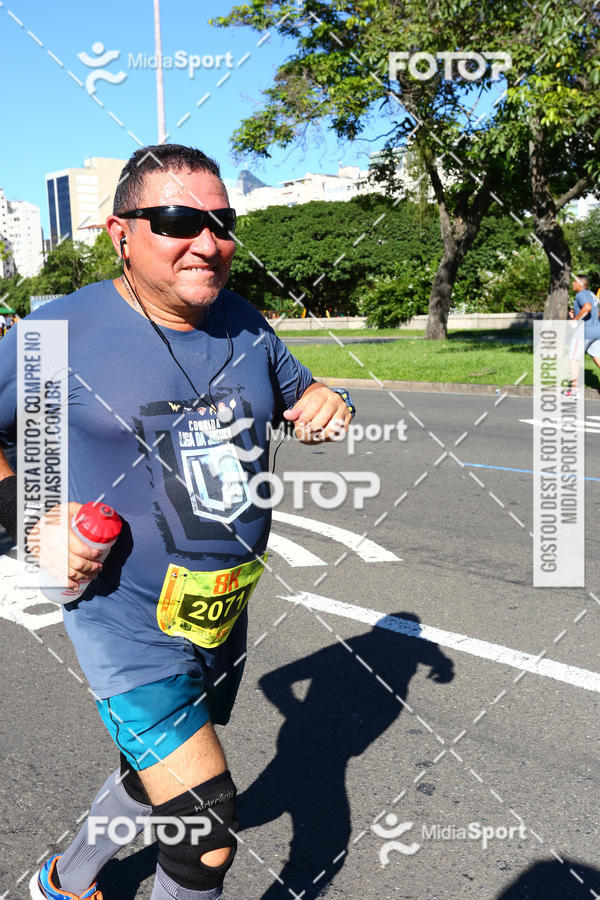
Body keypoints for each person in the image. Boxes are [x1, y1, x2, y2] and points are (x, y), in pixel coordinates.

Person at [0, 144, 355, 900]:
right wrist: (32, 516)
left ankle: (62, 883)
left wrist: (325, 401)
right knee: (205, 828)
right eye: (176, 220)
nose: (208, 241)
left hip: (221, 608)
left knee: (148, 773)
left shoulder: (245, 323)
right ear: (118, 231)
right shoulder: (57, 333)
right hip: (121, 617)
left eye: (223, 222)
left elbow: (301, 394)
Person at [567, 274, 600, 394]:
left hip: (584, 332)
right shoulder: (591, 294)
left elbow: (587, 307)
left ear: (581, 284)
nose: (572, 284)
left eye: (574, 282)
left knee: (573, 358)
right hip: (596, 330)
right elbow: (596, 311)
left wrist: (575, 320)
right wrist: (576, 315)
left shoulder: (581, 295)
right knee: (598, 357)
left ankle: (574, 390)